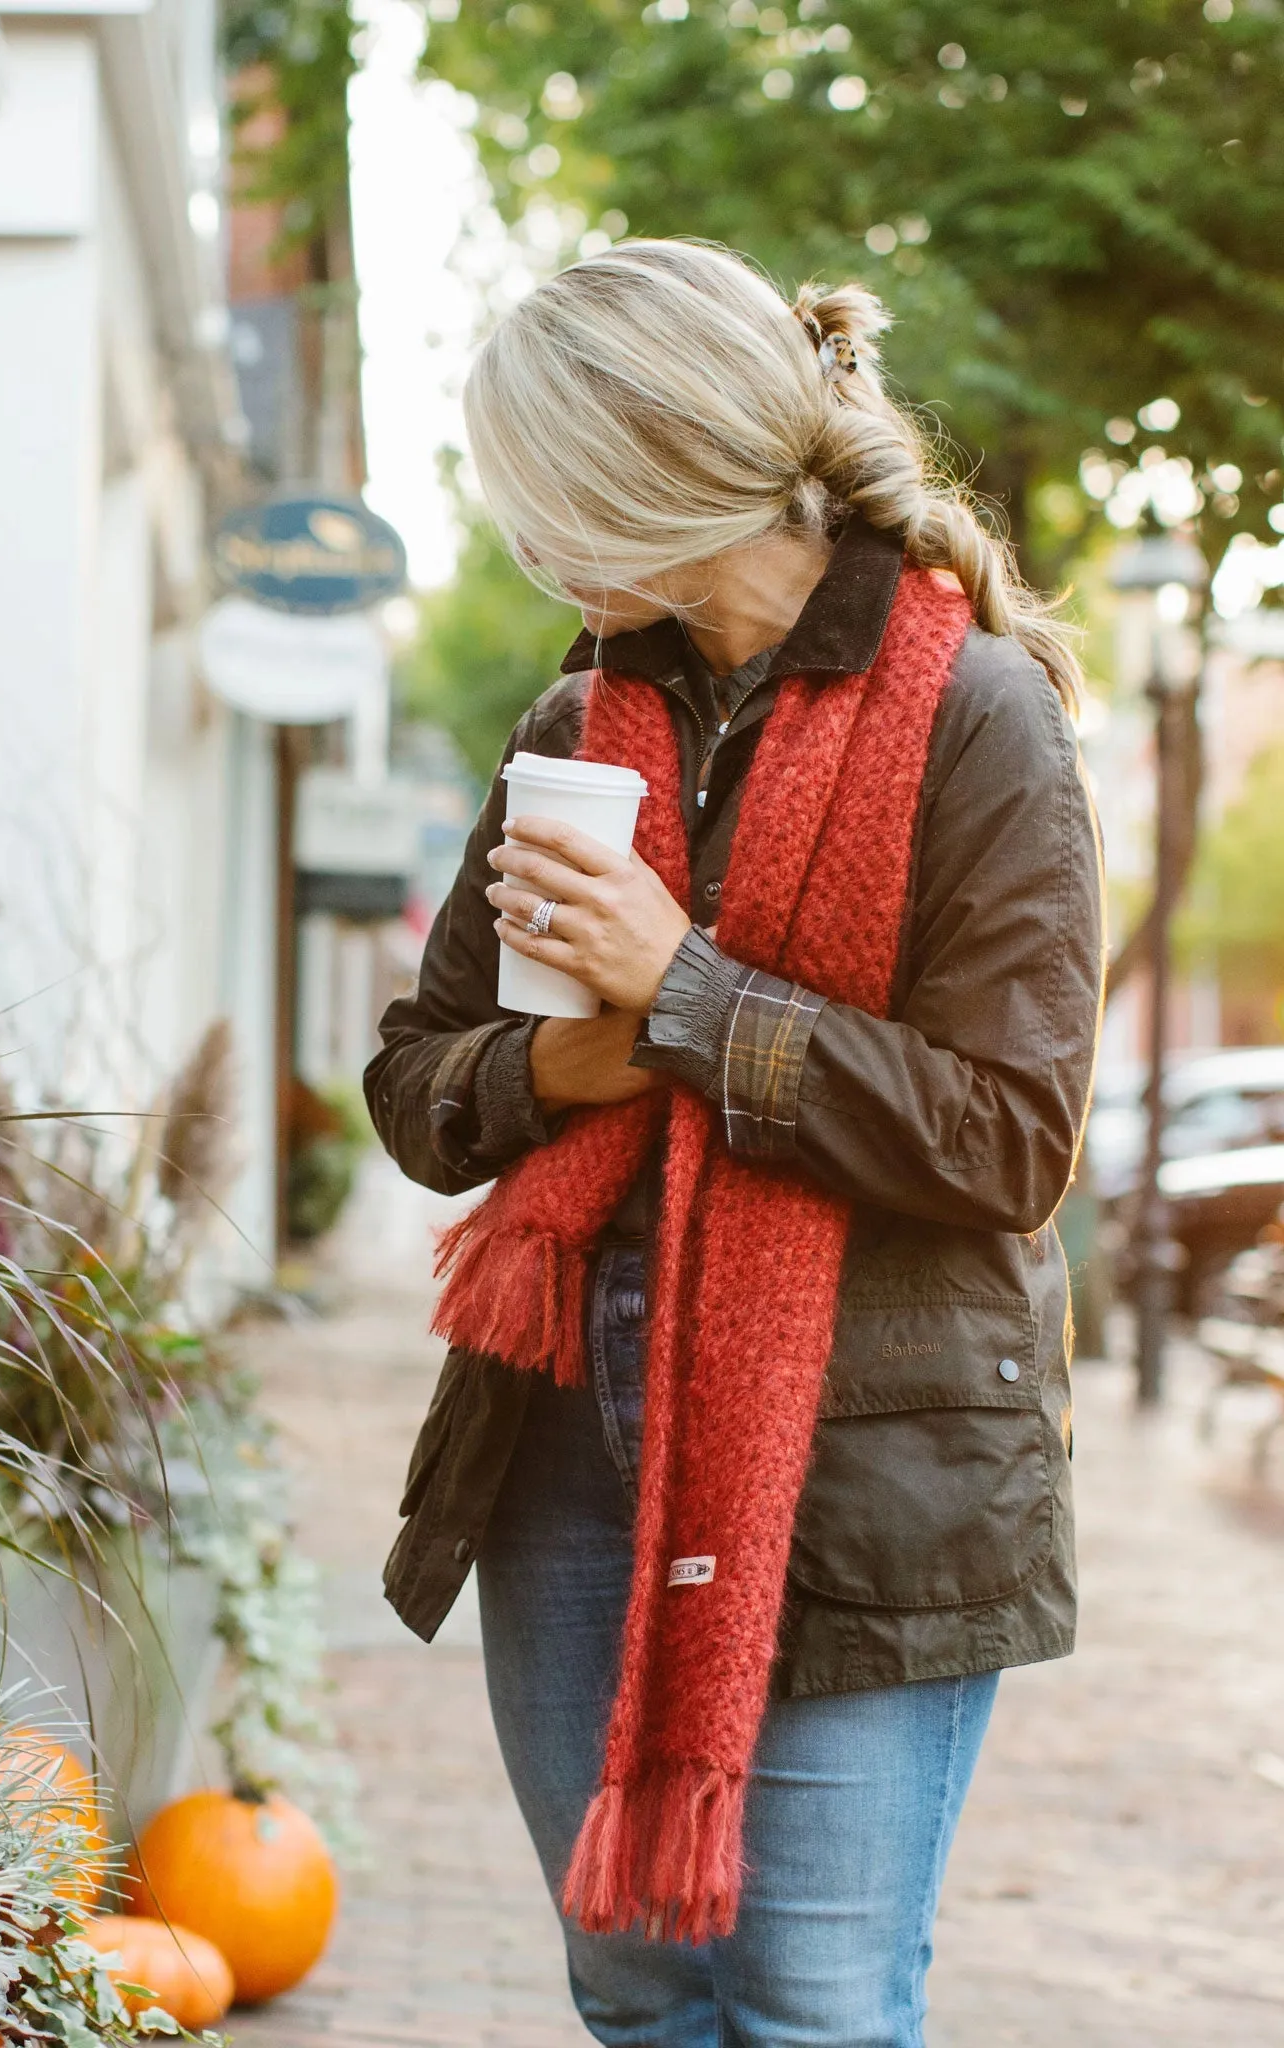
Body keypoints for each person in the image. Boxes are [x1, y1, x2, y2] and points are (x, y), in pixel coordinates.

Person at [364, 240, 1102, 2046]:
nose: (527, 533)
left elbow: (1011, 1136)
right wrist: (572, 1069)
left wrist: (684, 995)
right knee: (633, 1993)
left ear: (649, 464)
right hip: (564, 1450)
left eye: (540, 484)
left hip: (871, 1467)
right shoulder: (578, 723)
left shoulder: (979, 718)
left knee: (816, 2010)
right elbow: (416, 1082)